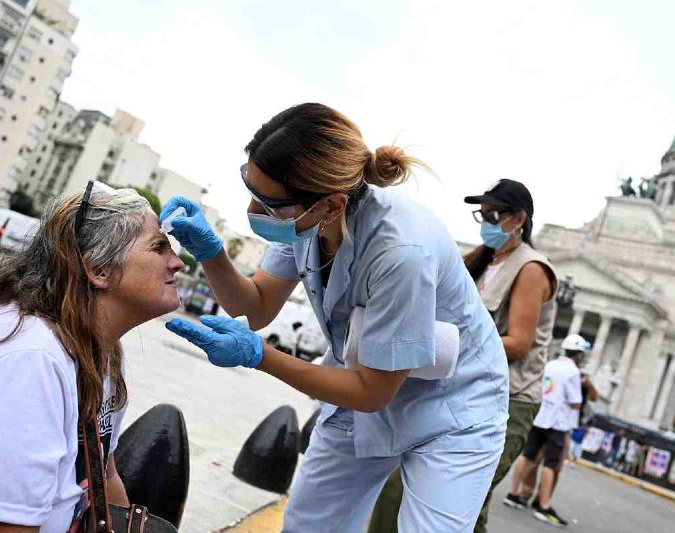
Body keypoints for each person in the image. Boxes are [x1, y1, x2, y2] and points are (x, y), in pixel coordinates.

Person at [161, 102, 510, 532]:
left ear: (331, 204)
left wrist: (259, 357)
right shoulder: (306, 221)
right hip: (364, 384)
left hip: (452, 408)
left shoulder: (401, 252)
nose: (254, 209)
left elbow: (370, 391)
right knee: (309, 524)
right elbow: (256, 306)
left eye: (269, 204)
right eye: (252, 190)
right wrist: (212, 253)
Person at [0, 183, 186, 531]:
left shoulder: (100, 353)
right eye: (159, 247)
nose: (177, 263)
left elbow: (103, 473)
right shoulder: (26, 363)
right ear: (99, 270)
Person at [368, 178, 557, 533]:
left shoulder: (531, 268)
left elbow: (518, 343)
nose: (486, 223)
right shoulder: (481, 262)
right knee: (399, 487)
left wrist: (442, 341)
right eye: (481, 214)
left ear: (518, 219)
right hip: (459, 391)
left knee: (465, 505)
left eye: (493, 214)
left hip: (509, 400)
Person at [505, 333, 588, 527]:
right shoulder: (573, 372)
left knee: (527, 455)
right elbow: (576, 402)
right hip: (557, 422)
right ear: (579, 355)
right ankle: (544, 505)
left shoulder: (550, 365)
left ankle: (513, 493)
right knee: (551, 463)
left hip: (540, 415)